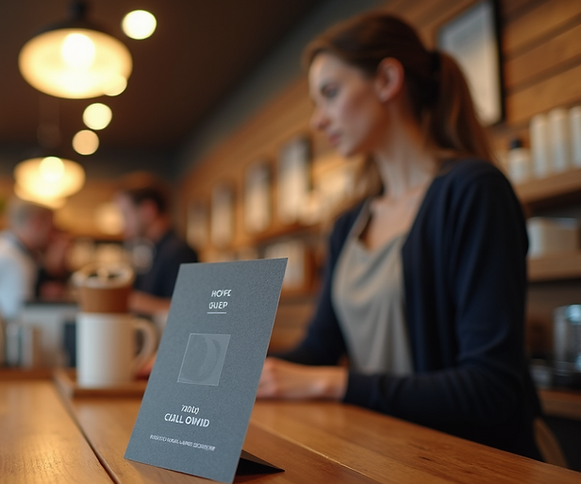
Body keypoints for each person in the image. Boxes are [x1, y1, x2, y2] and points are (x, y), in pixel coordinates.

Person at [258, 13, 542, 459]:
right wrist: (222, 370)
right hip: (385, 460)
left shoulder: (473, 191)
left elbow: (491, 388)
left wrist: (331, 383)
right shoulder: (348, 223)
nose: (317, 121)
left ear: (388, 79)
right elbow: (320, 348)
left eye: (329, 94)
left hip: (473, 472)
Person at [114, 174, 199, 316]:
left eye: (125, 214)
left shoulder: (178, 252)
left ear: (148, 210)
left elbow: (187, 309)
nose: (123, 224)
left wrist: (132, 301)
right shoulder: (159, 249)